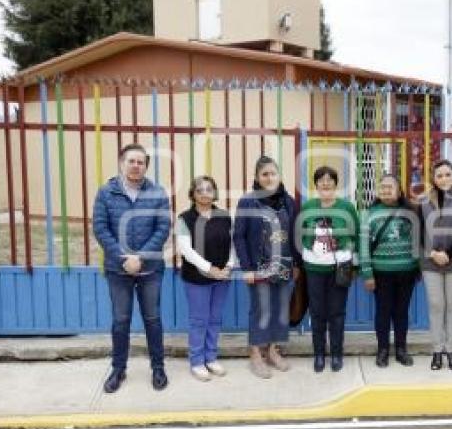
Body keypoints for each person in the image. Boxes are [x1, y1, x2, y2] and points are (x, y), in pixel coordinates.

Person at [93, 143, 171, 393]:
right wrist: (123, 258)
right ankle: (118, 369)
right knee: (120, 321)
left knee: (153, 320)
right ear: (121, 162)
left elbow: (162, 228)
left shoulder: (157, 192)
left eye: (141, 162)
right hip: (118, 270)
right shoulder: (106, 192)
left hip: (150, 270)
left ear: (146, 166)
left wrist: (140, 258)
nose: (136, 166)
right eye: (131, 161)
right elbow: (100, 228)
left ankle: (158, 368)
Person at [234, 156, 301, 379]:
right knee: (261, 310)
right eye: (264, 174)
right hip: (259, 267)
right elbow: (239, 237)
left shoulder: (289, 202)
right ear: (256, 178)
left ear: (279, 175)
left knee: (280, 310)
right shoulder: (247, 202)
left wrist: (296, 264)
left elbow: (295, 235)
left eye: (273, 173)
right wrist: (247, 268)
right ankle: (255, 354)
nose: (269, 177)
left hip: (284, 265)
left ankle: (272, 350)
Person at [299, 166, 359, 373]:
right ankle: (318, 354)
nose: (325, 183)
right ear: (315, 184)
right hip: (314, 268)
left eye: (329, 179)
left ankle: (336, 353)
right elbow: (299, 235)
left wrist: (354, 262)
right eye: (321, 180)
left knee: (337, 313)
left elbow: (356, 235)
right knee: (317, 313)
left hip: (339, 268)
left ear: (336, 183)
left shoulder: (347, 207)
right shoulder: (307, 207)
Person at [177, 176, 234, 381]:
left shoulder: (224, 216)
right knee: (199, 320)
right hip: (197, 278)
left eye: (209, 189)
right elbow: (186, 251)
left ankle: (211, 357)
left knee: (215, 319)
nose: (204, 193)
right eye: (199, 190)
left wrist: (228, 266)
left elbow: (233, 244)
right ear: (192, 194)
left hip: (223, 276)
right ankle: (197, 361)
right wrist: (210, 269)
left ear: (215, 193)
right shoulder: (184, 218)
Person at [419, 159, 452, 371]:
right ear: (433, 178)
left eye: (447, 174)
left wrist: (447, 254)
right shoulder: (422, 200)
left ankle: (451, 350)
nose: (443, 179)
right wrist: (432, 253)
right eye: (439, 175)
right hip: (430, 261)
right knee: (435, 305)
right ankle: (437, 351)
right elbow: (419, 232)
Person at [361, 174, 419, 367]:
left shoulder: (410, 212)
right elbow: (363, 246)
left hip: (406, 271)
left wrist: (418, 266)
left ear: (399, 190)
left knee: (402, 312)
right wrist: (367, 273)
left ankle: (401, 349)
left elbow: (419, 241)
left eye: (390, 187)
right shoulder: (369, 214)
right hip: (381, 272)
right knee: (383, 312)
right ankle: (383, 350)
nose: (386, 190)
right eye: (382, 187)